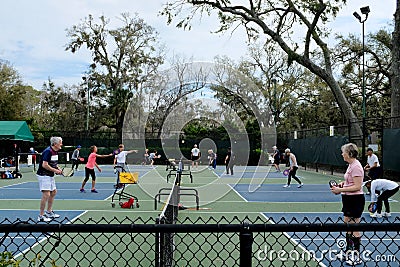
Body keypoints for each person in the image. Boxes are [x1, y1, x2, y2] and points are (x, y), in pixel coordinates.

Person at [330, 143, 365, 265]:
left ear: (349, 153)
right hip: (348, 199)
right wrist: (341, 185)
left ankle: (356, 256)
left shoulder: (356, 167)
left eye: (343, 152)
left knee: (354, 228)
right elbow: (349, 182)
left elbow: (357, 186)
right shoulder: (351, 166)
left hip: (355, 200)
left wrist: (340, 190)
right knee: (347, 226)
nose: (342, 154)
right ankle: (348, 252)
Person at [36, 137, 63, 222]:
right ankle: (41, 215)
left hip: (50, 175)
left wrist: (59, 169)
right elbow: (44, 165)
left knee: (54, 192)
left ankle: (49, 211)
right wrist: (56, 171)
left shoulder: (55, 151)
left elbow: (54, 163)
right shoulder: (48, 151)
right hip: (43, 175)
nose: (61, 144)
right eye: (60, 143)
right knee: (46, 194)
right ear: (55, 144)